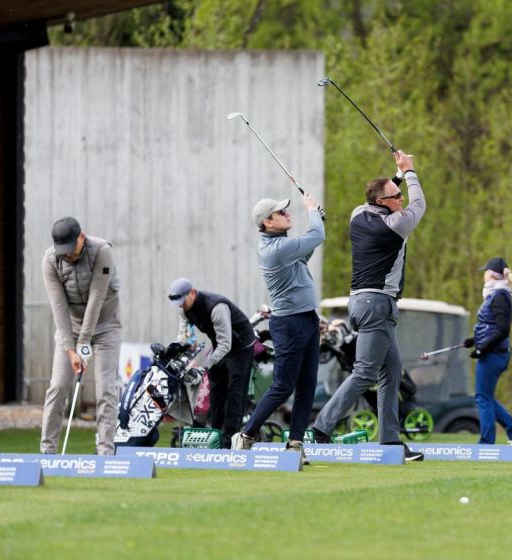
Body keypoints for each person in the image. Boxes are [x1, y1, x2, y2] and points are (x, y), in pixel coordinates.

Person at [312, 150, 426, 461]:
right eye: (394, 196)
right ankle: (322, 427)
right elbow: (420, 204)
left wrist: (397, 174)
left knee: (392, 371)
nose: (400, 198)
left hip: (363, 303)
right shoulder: (395, 224)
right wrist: (411, 172)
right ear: (381, 203)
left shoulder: (357, 214)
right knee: (364, 372)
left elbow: (387, 190)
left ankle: (390, 441)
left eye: (399, 193)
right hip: (377, 304)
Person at [231, 193, 324, 464]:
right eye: (281, 213)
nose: (287, 214)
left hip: (307, 319)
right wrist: (313, 212)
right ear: (268, 222)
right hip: (290, 323)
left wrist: (317, 219)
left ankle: (295, 444)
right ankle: (246, 435)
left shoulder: (282, 244)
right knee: (284, 385)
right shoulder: (274, 249)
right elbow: (316, 237)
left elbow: (305, 254)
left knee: (307, 384)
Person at [40, 217, 122, 455]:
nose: (67, 255)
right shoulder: (49, 260)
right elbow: (58, 307)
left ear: (82, 238)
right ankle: (47, 452)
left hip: (107, 324)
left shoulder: (102, 251)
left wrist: (83, 343)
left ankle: (105, 452)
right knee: (57, 386)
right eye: (62, 251)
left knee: (106, 389)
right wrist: (70, 349)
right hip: (71, 327)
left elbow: (97, 298)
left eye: (71, 249)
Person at [168, 278, 256, 449]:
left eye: (182, 301)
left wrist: (204, 366)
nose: (180, 306)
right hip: (220, 347)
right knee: (216, 394)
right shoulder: (183, 310)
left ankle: (230, 441)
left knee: (234, 394)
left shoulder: (216, 307)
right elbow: (185, 337)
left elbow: (226, 344)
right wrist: (184, 357)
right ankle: (216, 436)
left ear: (192, 292)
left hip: (241, 347)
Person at [463, 257, 512, 446]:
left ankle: (486, 442)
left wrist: (481, 349)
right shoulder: (496, 294)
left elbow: (502, 329)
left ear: (492, 274)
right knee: (486, 397)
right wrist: (474, 340)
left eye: (485, 271)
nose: (483, 274)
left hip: (493, 353)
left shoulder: (500, 295)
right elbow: (490, 325)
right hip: (494, 352)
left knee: (482, 398)